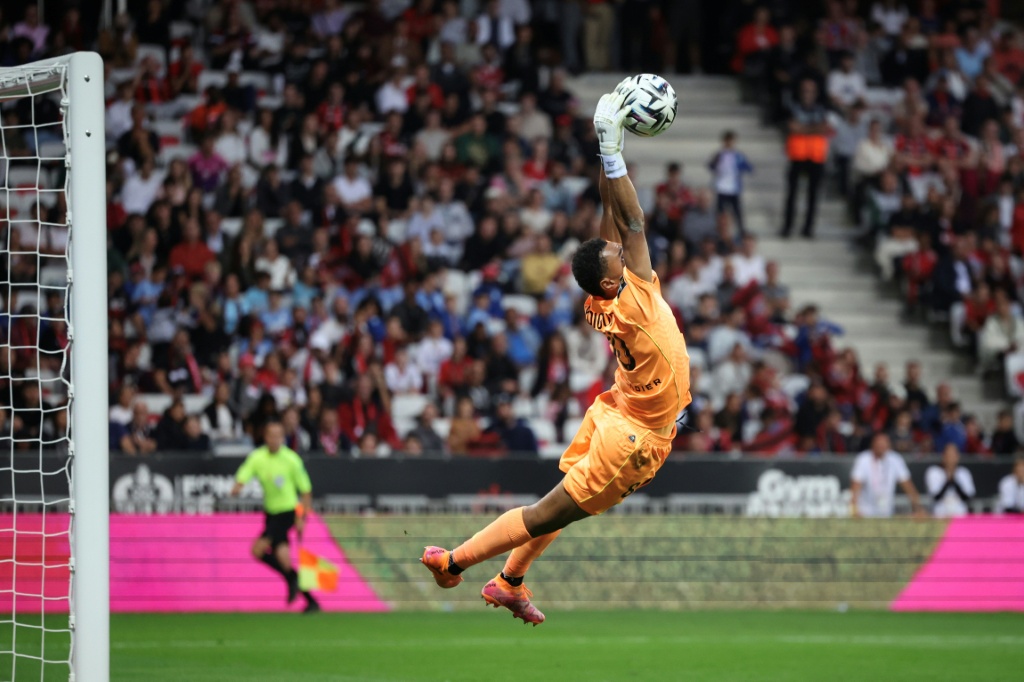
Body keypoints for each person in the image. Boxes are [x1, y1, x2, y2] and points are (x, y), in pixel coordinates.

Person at [420, 86, 691, 625]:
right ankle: (453, 561)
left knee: (561, 503)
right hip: (636, 438)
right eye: (618, 254)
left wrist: (605, 142)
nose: (622, 246)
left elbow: (612, 219)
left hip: (615, 409)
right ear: (616, 276)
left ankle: (511, 581)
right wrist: (613, 155)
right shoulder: (636, 299)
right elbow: (631, 222)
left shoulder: (603, 296)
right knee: (549, 510)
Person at [230, 421, 320, 613]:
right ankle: (311, 601)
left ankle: (291, 580)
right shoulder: (258, 457)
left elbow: (306, 491)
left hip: (287, 512)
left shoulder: (291, 459)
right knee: (284, 560)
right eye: (271, 435)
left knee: (258, 550)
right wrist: (238, 485)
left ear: (283, 437)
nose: (275, 439)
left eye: (279, 435)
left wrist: (302, 518)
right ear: (265, 437)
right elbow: (245, 472)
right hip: (270, 513)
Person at [781, 79, 832, 239]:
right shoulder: (793, 107)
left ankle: (808, 228)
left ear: (816, 93)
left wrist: (803, 129)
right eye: (804, 90)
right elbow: (792, 127)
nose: (807, 94)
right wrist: (813, 129)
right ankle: (788, 227)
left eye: (810, 91)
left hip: (816, 156)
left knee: (813, 194)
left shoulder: (822, 109)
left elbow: (825, 128)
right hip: (797, 155)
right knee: (792, 194)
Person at [850, 432, 925, 518]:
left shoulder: (895, 459)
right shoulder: (863, 459)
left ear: (889, 445)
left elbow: (908, 486)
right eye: (879, 443)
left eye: (884, 443)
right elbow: (855, 488)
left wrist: (918, 508)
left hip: (887, 513)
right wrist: (854, 510)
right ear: (873, 444)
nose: (881, 446)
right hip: (866, 513)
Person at [708, 130, 753, 237]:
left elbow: (749, 167)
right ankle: (719, 232)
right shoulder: (719, 155)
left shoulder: (738, 156)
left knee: (737, 212)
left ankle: (741, 232)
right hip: (722, 188)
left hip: (733, 188)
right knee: (720, 213)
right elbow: (711, 166)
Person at [925, 444, 975, 517]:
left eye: (953, 455)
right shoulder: (934, 472)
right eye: (948, 455)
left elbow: (968, 497)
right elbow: (936, 497)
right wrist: (948, 480)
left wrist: (954, 480)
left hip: (960, 513)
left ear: (958, 457)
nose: (951, 459)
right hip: (940, 514)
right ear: (943, 457)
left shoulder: (964, 472)